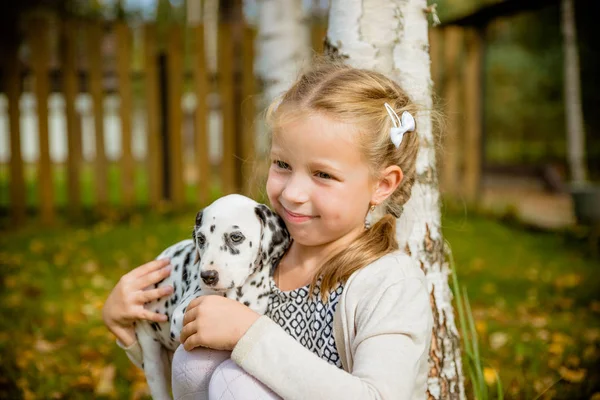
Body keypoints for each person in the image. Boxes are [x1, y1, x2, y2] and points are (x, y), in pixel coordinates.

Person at [103, 61, 433, 400]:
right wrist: (130, 328)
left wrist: (249, 334)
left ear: (382, 184)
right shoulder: (252, 254)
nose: (292, 193)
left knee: (236, 379)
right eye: (283, 165)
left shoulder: (390, 285)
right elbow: (194, 380)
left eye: (323, 174)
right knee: (200, 361)